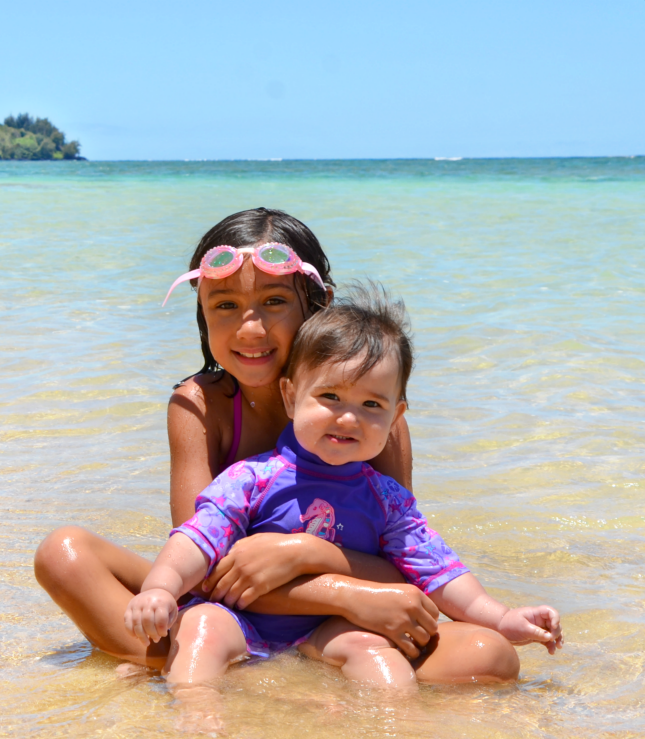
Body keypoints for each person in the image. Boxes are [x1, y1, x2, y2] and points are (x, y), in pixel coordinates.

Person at [35, 208, 520, 683]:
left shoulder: (370, 417)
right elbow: (202, 564)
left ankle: (211, 670)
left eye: (273, 301)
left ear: (318, 304)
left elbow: (407, 564)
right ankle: (237, 669)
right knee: (64, 554)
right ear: (202, 311)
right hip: (227, 608)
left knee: (489, 655)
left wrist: (306, 553)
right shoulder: (199, 405)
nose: (251, 329)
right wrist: (349, 593)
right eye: (225, 305)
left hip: (345, 626)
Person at [124, 285, 563, 695]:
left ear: (395, 417)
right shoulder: (251, 478)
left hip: (331, 627)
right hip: (245, 621)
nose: (349, 418)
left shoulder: (388, 500)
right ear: (291, 397)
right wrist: (161, 588)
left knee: (373, 650)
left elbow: (440, 572)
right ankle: (196, 716)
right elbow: (196, 539)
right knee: (201, 625)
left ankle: (396, 724)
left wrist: (503, 618)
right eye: (330, 397)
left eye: (371, 404)